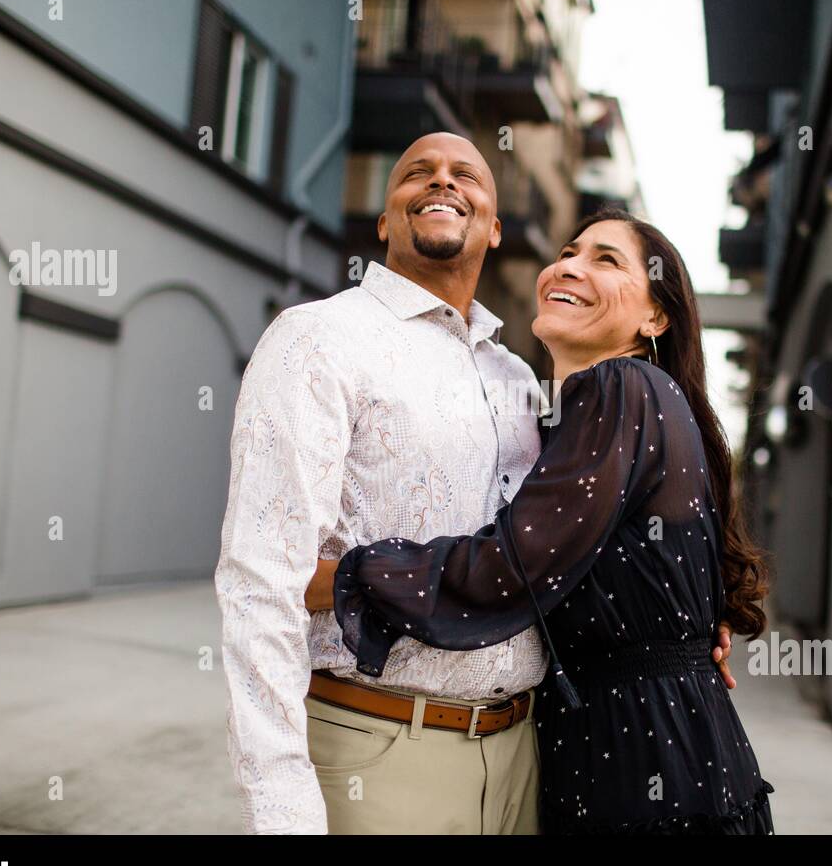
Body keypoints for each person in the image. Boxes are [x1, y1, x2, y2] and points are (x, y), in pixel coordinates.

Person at [215, 132, 735, 834]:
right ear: (384, 219)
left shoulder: (520, 381)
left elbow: (537, 562)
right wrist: (281, 804)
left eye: (468, 173)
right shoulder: (318, 338)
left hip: (530, 759)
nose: (441, 180)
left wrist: (684, 625)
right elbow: (258, 585)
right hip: (382, 749)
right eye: (416, 172)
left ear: (494, 227)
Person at [315, 206, 776, 834]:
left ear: (655, 316)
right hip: (637, 746)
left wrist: (347, 577)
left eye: (606, 259)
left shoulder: (621, 388)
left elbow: (510, 569)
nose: (570, 267)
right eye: (568, 252)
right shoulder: (589, 410)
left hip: (645, 769)